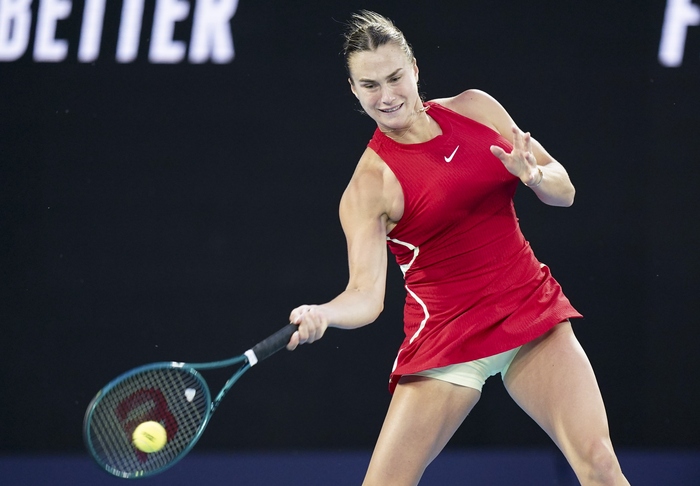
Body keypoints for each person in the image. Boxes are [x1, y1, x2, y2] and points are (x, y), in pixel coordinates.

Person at [287, 10, 630, 486]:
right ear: (353, 90)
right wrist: (324, 314)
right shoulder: (368, 187)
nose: (386, 96)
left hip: (529, 308)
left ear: (414, 69)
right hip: (448, 338)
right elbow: (365, 297)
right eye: (370, 86)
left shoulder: (476, 109)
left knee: (601, 465)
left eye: (395, 77)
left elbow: (564, 190)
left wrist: (533, 176)